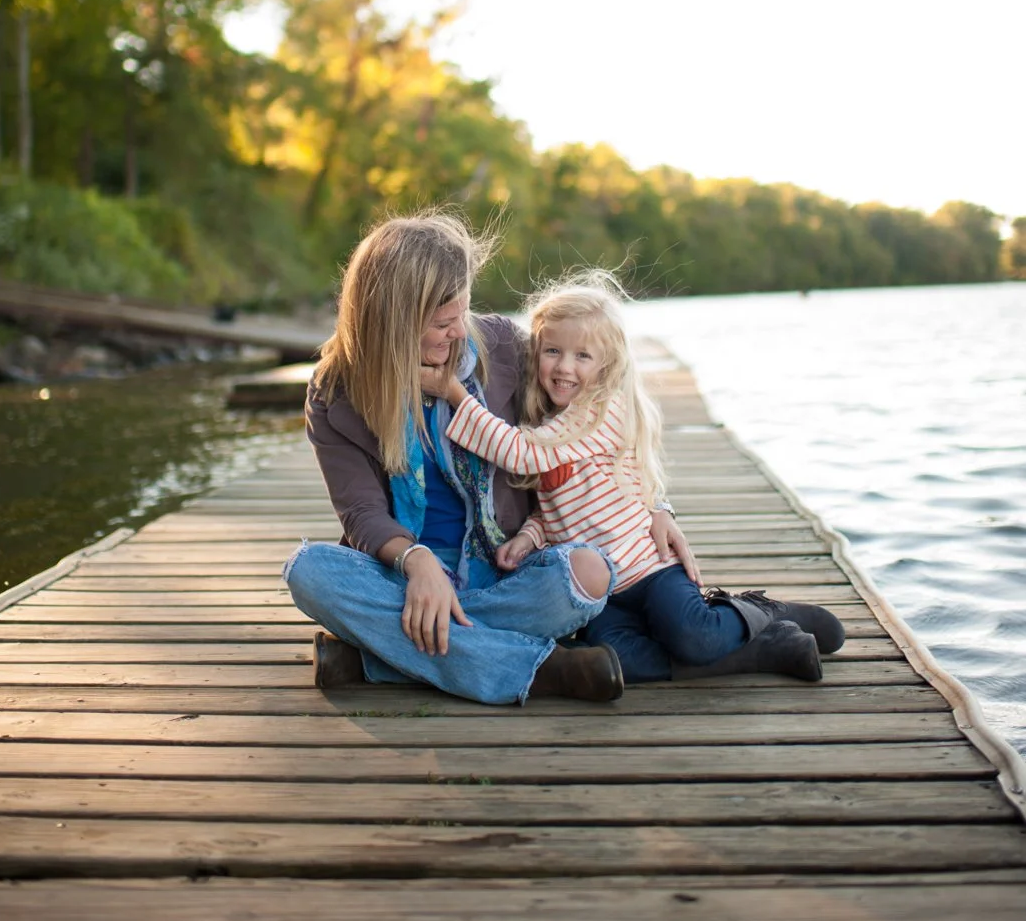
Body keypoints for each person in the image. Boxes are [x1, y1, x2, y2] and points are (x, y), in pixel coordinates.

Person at [283, 213, 686, 704]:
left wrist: (657, 505)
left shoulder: (502, 346)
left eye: (463, 313)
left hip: (505, 572)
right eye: (443, 323)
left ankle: (377, 655)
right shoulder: (335, 390)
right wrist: (417, 563)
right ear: (394, 320)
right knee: (308, 571)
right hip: (399, 577)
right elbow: (361, 512)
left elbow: (597, 417)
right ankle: (539, 670)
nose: (460, 332)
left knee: (589, 572)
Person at [420, 272, 845, 683]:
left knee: (695, 635)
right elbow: (556, 508)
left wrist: (455, 394)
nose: (565, 367)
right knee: (615, 658)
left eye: (583, 355)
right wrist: (530, 538)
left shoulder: (600, 413)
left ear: (606, 365)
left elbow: (520, 453)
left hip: (648, 567)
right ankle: (764, 650)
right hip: (606, 590)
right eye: (553, 351)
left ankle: (767, 612)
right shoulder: (552, 421)